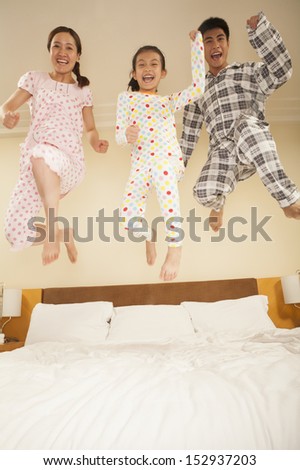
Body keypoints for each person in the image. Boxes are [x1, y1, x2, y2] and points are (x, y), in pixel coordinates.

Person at [180, 12, 300, 232]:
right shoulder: (198, 91)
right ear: (202, 49)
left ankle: (288, 199)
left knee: (245, 127)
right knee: (202, 192)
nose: (215, 45)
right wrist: (171, 172)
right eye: (208, 41)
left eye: (220, 39)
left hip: (252, 141)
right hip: (223, 153)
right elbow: (188, 136)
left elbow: (282, 71)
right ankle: (219, 201)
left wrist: (260, 31)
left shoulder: (246, 72)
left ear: (227, 43)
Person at [1, 26, 109, 265]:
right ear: (49, 51)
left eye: (69, 47)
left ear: (78, 55)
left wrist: (95, 142)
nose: (62, 51)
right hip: (35, 167)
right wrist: (6, 117)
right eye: (56, 46)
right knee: (14, 232)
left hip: (68, 162)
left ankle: (51, 228)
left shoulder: (82, 91)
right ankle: (61, 233)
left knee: (41, 152)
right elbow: (6, 107)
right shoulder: (35, 79)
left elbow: (90, 129)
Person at [115, 32, 205, 281]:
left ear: (162, 72)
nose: (147, 68)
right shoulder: (126, 98)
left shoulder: (167, 102)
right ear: (134, 73)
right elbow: (119, 135)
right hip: (141, 162)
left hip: (166, 158)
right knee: (127, 218)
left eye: (154, 64)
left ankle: (175, 248)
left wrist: (196, 46)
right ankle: (147, 235)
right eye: (141, 64)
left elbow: (198, 87)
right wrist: (127, 134)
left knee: (165, 184)